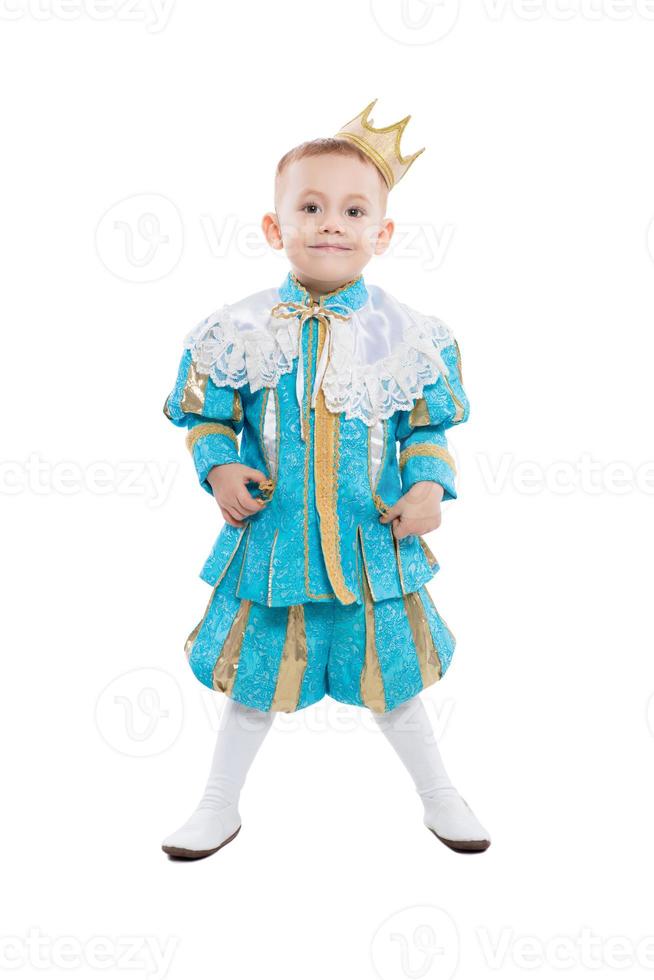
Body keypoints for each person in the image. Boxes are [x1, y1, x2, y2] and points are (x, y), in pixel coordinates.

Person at [161, 99, 491, 859]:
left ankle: (441, 794)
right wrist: (219, 466)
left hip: (372, 544)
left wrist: (429, 488)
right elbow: (206, 417)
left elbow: (426, 429)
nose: (331, 223)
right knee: (253, 688)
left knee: (395, 686)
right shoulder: (238, 330)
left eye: (352, 210)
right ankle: (218, 804)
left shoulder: (406, 335)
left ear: (382, 232)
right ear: (277, 227)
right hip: (276, 546)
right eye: (310, 207)